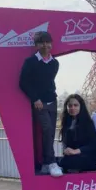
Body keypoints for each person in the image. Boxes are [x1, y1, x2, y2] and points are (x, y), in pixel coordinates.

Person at [19, 31, 63, 177]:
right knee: (47, 129)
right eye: (41, 42)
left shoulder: (55, 63)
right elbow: (23, 83)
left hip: (52, 100)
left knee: (50, 133)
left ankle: (45, 164)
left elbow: (49, 82)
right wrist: (35, 99)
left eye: (47, 42)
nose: (45, 45)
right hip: (39, 103)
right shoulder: (30, 62)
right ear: (36, 45)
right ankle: (51, 162)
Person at [59, 94, 96, 173]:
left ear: (81, 106)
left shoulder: (88, 123)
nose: (72, 108)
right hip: (71, 157)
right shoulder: (66, 123)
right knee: (62, 162)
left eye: (75, 105)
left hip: (87, 156)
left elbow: (93, 144)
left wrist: (76, 151)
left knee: (68, 162)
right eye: (70, 106)